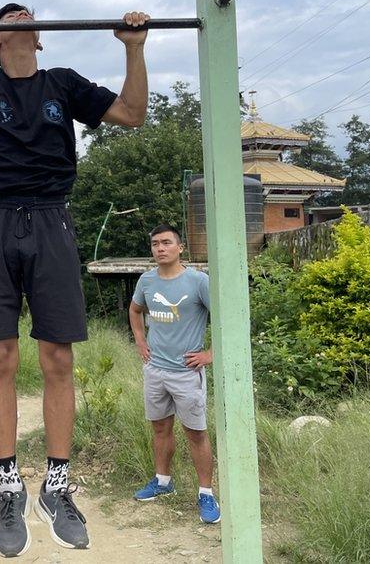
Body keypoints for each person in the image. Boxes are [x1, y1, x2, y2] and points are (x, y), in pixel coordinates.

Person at [0, 4, 149, 556]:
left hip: (53, 217)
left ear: (40, 40)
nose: (25, 18)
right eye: (12, 15)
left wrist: (133, 45)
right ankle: (10, 484)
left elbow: (132, 113)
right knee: (1, 356)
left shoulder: (62, 83)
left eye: (31, 15)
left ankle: (55, 486)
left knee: (59, 358)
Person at [128, 224, 221, 525]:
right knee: (159, 429)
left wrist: (211, 354)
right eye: (155, 244)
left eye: (166, 243)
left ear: (180, 248)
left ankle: (206, 493)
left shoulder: (198, 281)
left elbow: (225, 316)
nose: (160, 248)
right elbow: (135, 309)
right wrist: (140, 341)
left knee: (196, 433)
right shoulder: (147, 280)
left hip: (186, 373)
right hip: (155, 370)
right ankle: (163, 482)